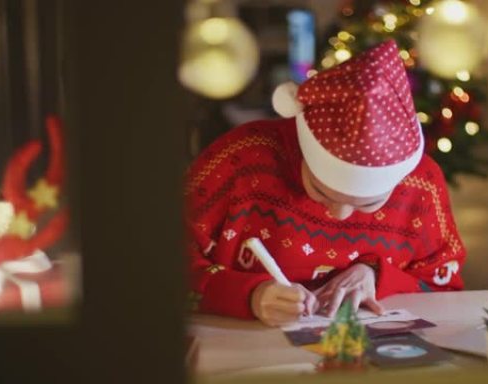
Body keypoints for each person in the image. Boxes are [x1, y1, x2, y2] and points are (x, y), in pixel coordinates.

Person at [185, 40, 466, 326]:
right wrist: (249, 296)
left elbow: (445, 285)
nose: (338, 214)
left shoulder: (422, 183)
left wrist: (377, 275)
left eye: (369, 203)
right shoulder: (241, 158)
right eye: (319, 191)